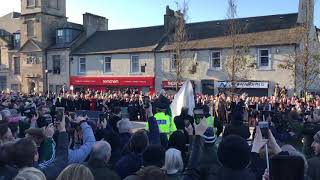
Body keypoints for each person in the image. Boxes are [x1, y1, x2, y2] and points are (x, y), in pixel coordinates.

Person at [12, 115, 68, 180]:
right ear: (35, 156)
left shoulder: (9, 173)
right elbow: (61, 159)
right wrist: (62, 130)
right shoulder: (41, 174)